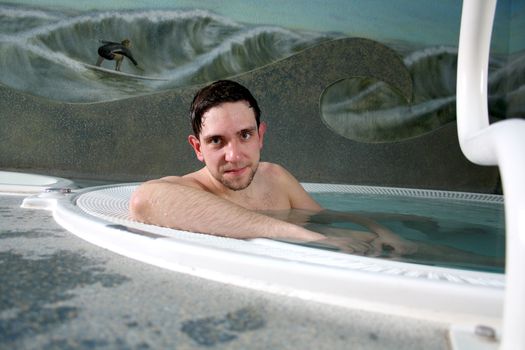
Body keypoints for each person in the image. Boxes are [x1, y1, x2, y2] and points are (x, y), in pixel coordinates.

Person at [129, 80, 414, 254]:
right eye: (217, 141)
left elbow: (323, 217)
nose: (235, 155)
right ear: (198, 148)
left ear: (260, 136)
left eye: (245, 135)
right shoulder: (187, 190)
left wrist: (377, 227)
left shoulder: (275, 177)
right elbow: (143, 202)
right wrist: (307, 237)